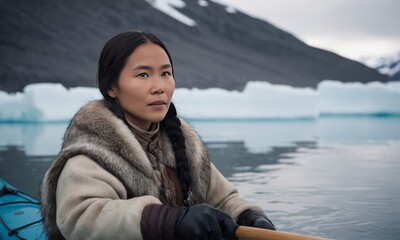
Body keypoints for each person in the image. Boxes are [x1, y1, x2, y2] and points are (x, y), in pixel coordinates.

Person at [40, 30, 275, 240]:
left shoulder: (182, 142)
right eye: (143, 75)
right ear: (111, 87)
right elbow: (81, 219)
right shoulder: (92, 152)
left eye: (166, 73)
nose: (159, 86)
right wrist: (169, 221)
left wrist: (251, 218)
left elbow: (223, 200)